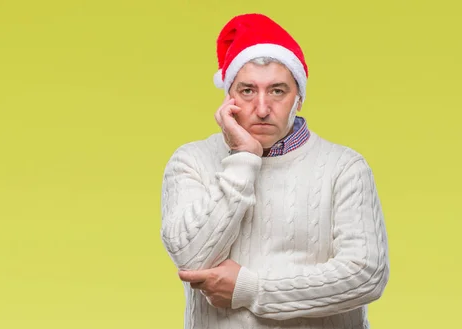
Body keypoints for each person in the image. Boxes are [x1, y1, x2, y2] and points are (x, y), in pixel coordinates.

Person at [159, 13, 390, 329]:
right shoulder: (191, 161)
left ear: (299, 98)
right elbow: (190, 258)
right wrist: (243, 158)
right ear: (229, 97)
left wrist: (251, 288)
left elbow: (366, 274)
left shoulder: (344, 168)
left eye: (278, 91)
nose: (263, 108)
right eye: (248, 91)